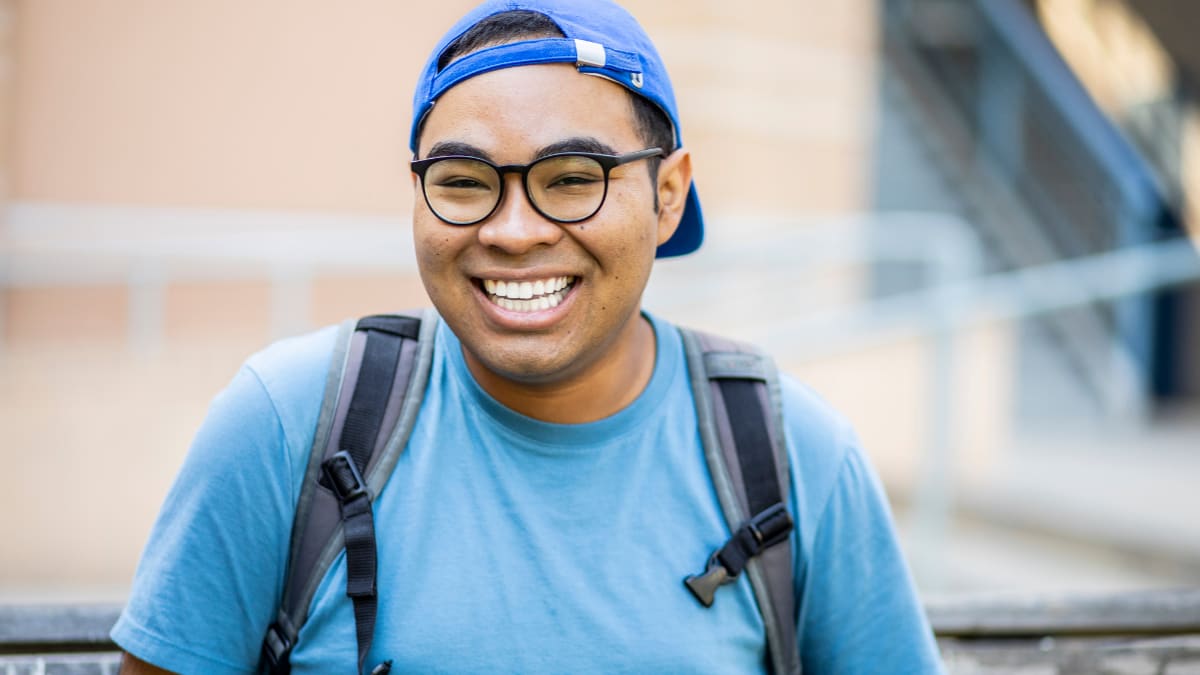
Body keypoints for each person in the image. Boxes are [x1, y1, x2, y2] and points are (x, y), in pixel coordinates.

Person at [113, 1, 943, 673]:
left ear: (668, 194)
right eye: (465, 183)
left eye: (573, 178)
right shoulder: (289, 425)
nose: (513, 231)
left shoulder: (791, 454)